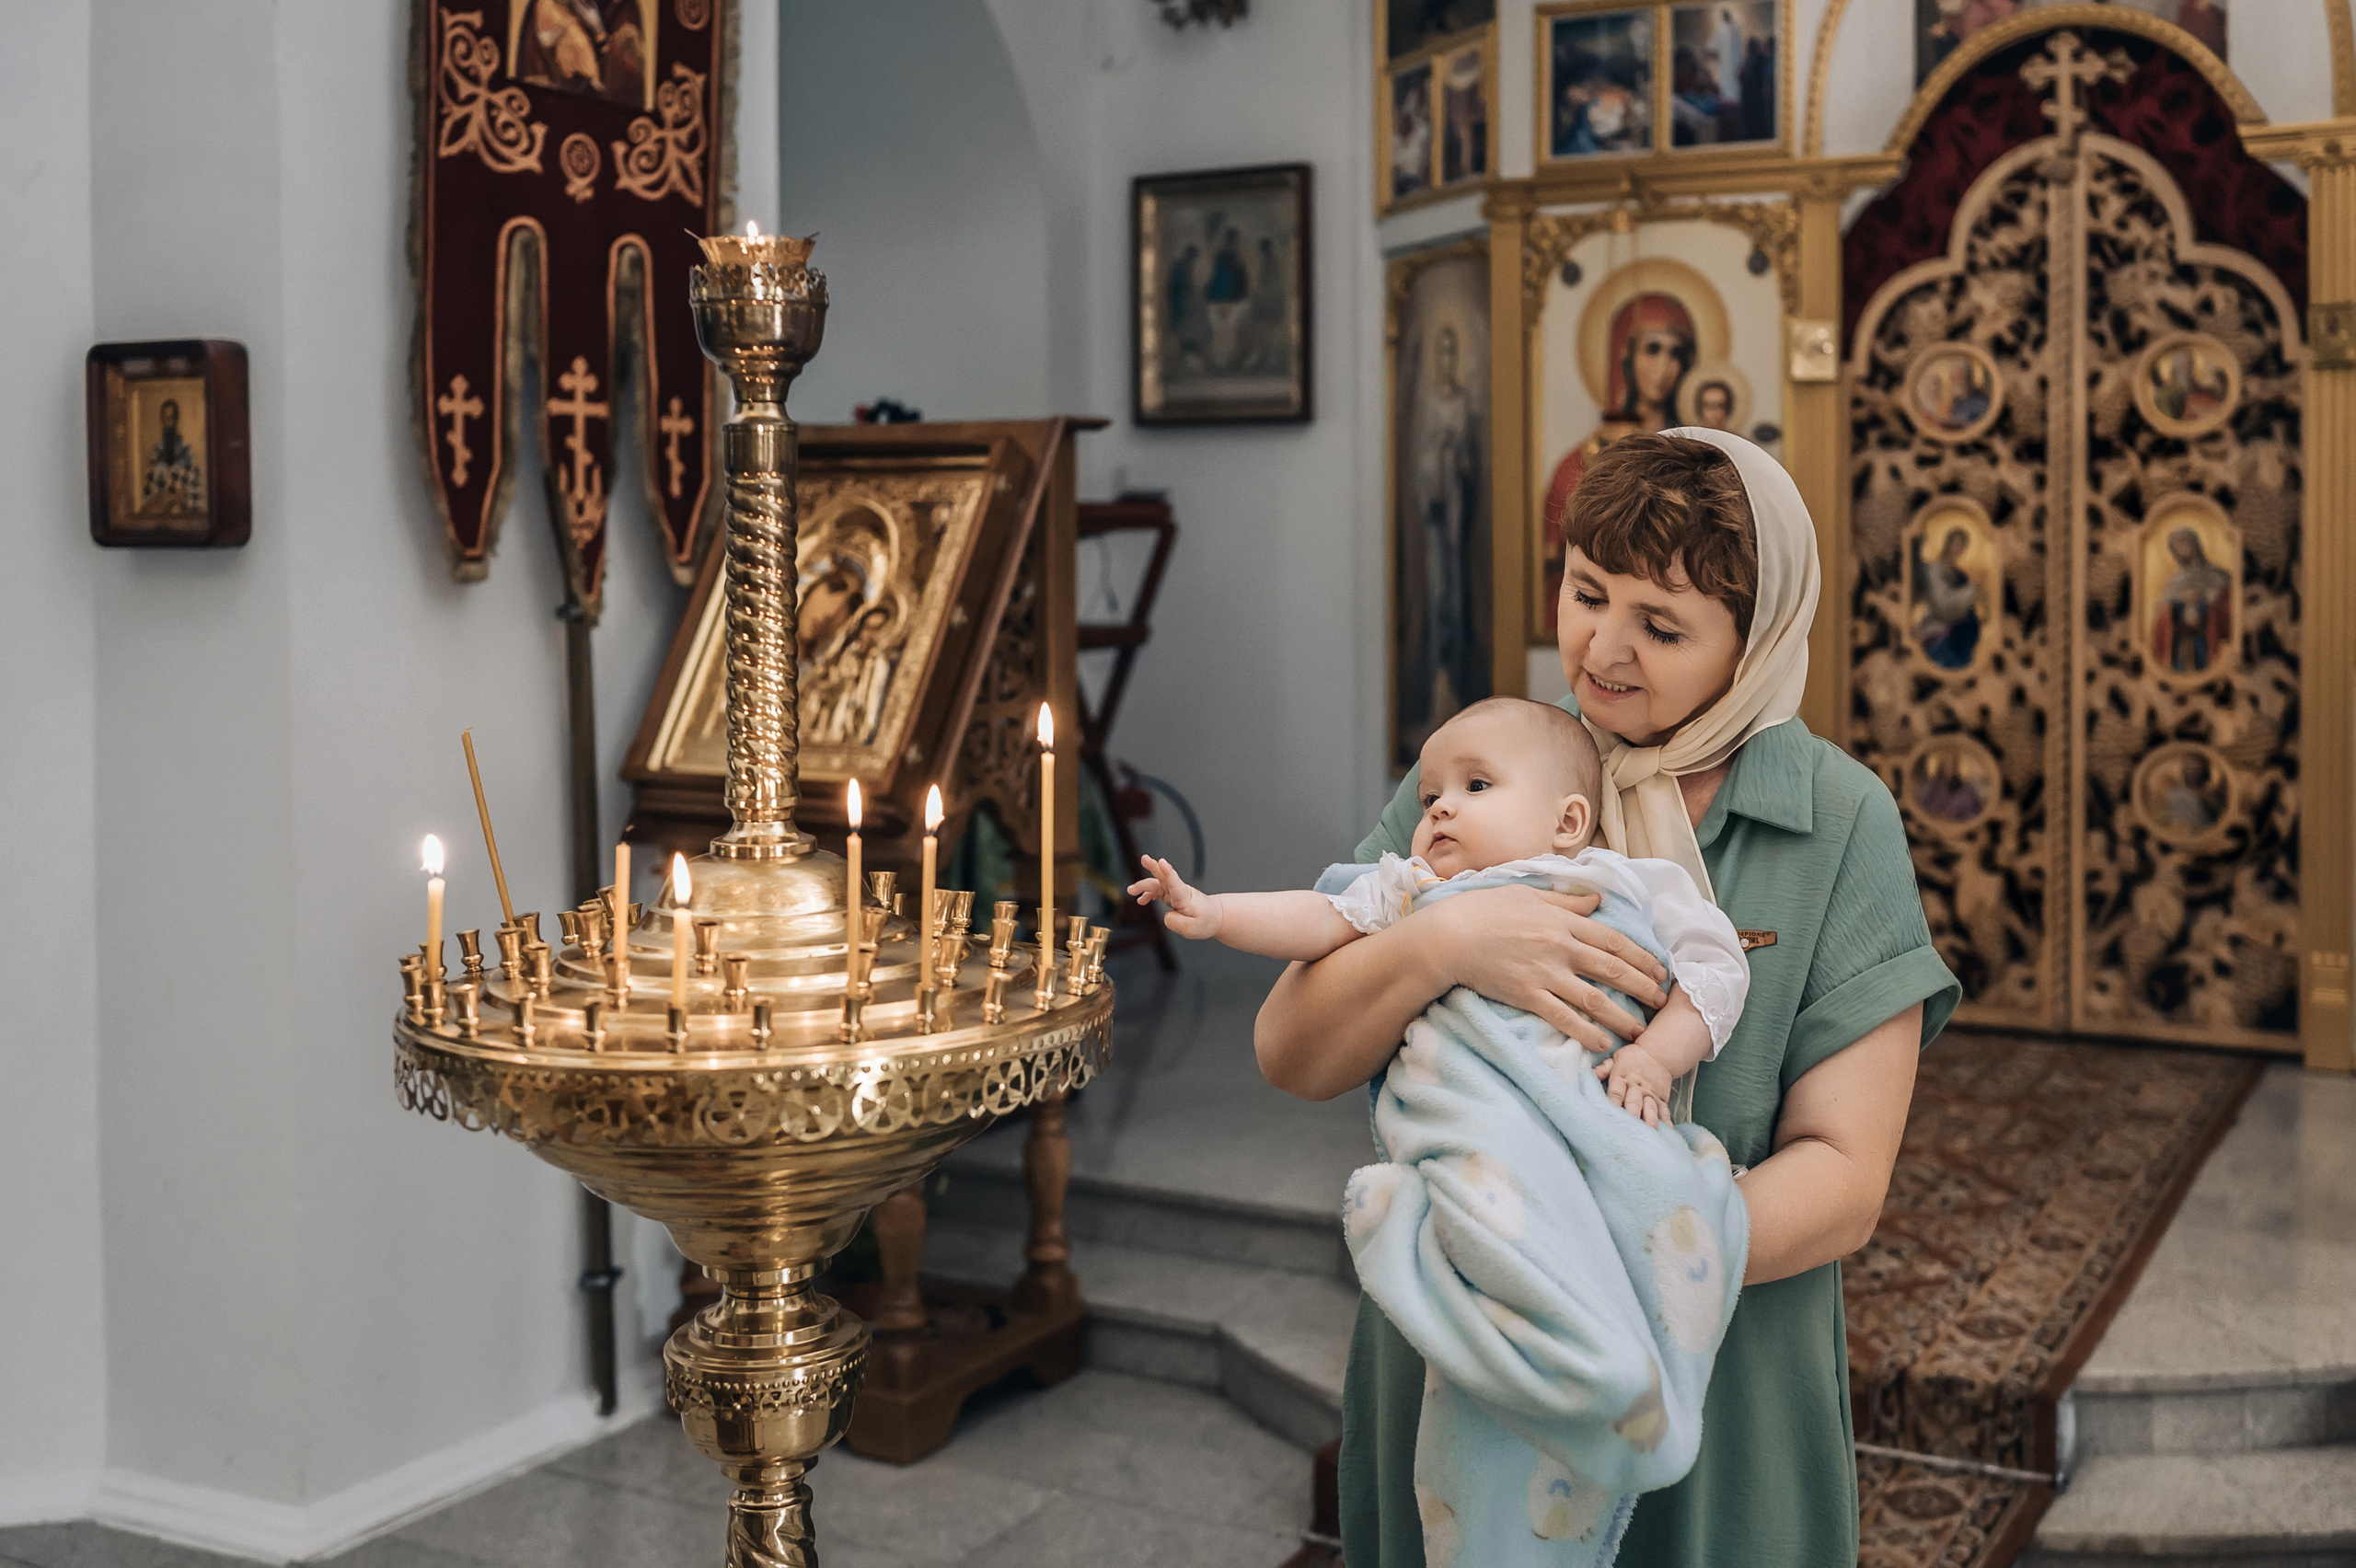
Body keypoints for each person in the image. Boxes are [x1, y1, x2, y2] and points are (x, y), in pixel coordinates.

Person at [1257, 429, 1958, 1566]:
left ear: (1756, 640)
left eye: (1662, 625)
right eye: (1587, 594)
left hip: (1704, 1360)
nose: (1601, 649)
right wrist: (1446, 947)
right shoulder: (1492, 772)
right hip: (1466, 1341)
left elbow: (1843, 1183)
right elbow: (1292, 1053)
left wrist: (1593, 1270)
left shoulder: (1838, 821)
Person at [1132, 698, 1748, 1124]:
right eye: (1431, 796)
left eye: (1475, 786)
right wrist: (1215, 914)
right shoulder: (1414, 887)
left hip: (1590, 1106)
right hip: (1465, 1116)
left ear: (1568, 821)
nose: (1439, 809)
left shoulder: (1618, 878)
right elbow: (1321, 917)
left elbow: (1714, 966)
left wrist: (1655, 1059)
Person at [1539, 293, 1698, 627]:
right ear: (1623, 355)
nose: (1664, 368)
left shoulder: (1697, 459)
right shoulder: (1577, 465)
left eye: (1676, 354)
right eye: (1652, 349)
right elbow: (1556, 582)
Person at [1417, 325, 1481, 731]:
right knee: (1437, 591)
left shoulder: (1463, 404)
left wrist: (1456, 455)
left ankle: (1456, 683)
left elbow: (1471, 464)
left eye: (1451, 351)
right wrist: (1433, 455)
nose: (1446, 360)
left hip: (1458, 504)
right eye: (1439, 352)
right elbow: (1416, 465)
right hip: (1434, 507)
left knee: (1457, 594)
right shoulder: (1426, 404)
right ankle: (1435, 683)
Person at [2154, 527, 2232, 674]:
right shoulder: (2173, 581)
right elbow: (2160, 613)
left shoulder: (2216, 574)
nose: (2182, 549)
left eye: (2185, 543)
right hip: (2180, 639)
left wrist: (2203, 597)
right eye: (2177, 546)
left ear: (2195, 544)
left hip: (2206, 636)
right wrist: (2177, 603)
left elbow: (2228, 603)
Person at [1912, 525, 1982, 670]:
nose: (1958, 548)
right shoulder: (1933, 569)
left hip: (1961, 628)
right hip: (1939, 627)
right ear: (1948, 543)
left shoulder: (1961, 574)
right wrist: (1972, 589)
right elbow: (1943, 603)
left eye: (1963, 545)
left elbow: (1966, 605)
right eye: (1956, 543)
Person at [140, 398, 204, 515]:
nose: (168, 423)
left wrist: (179, 499)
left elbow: (194, 490)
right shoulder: (156, 451)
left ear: (176, 420)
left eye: (171, 419)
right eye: (164, 419)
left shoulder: (187, 450)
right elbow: (149, 493)